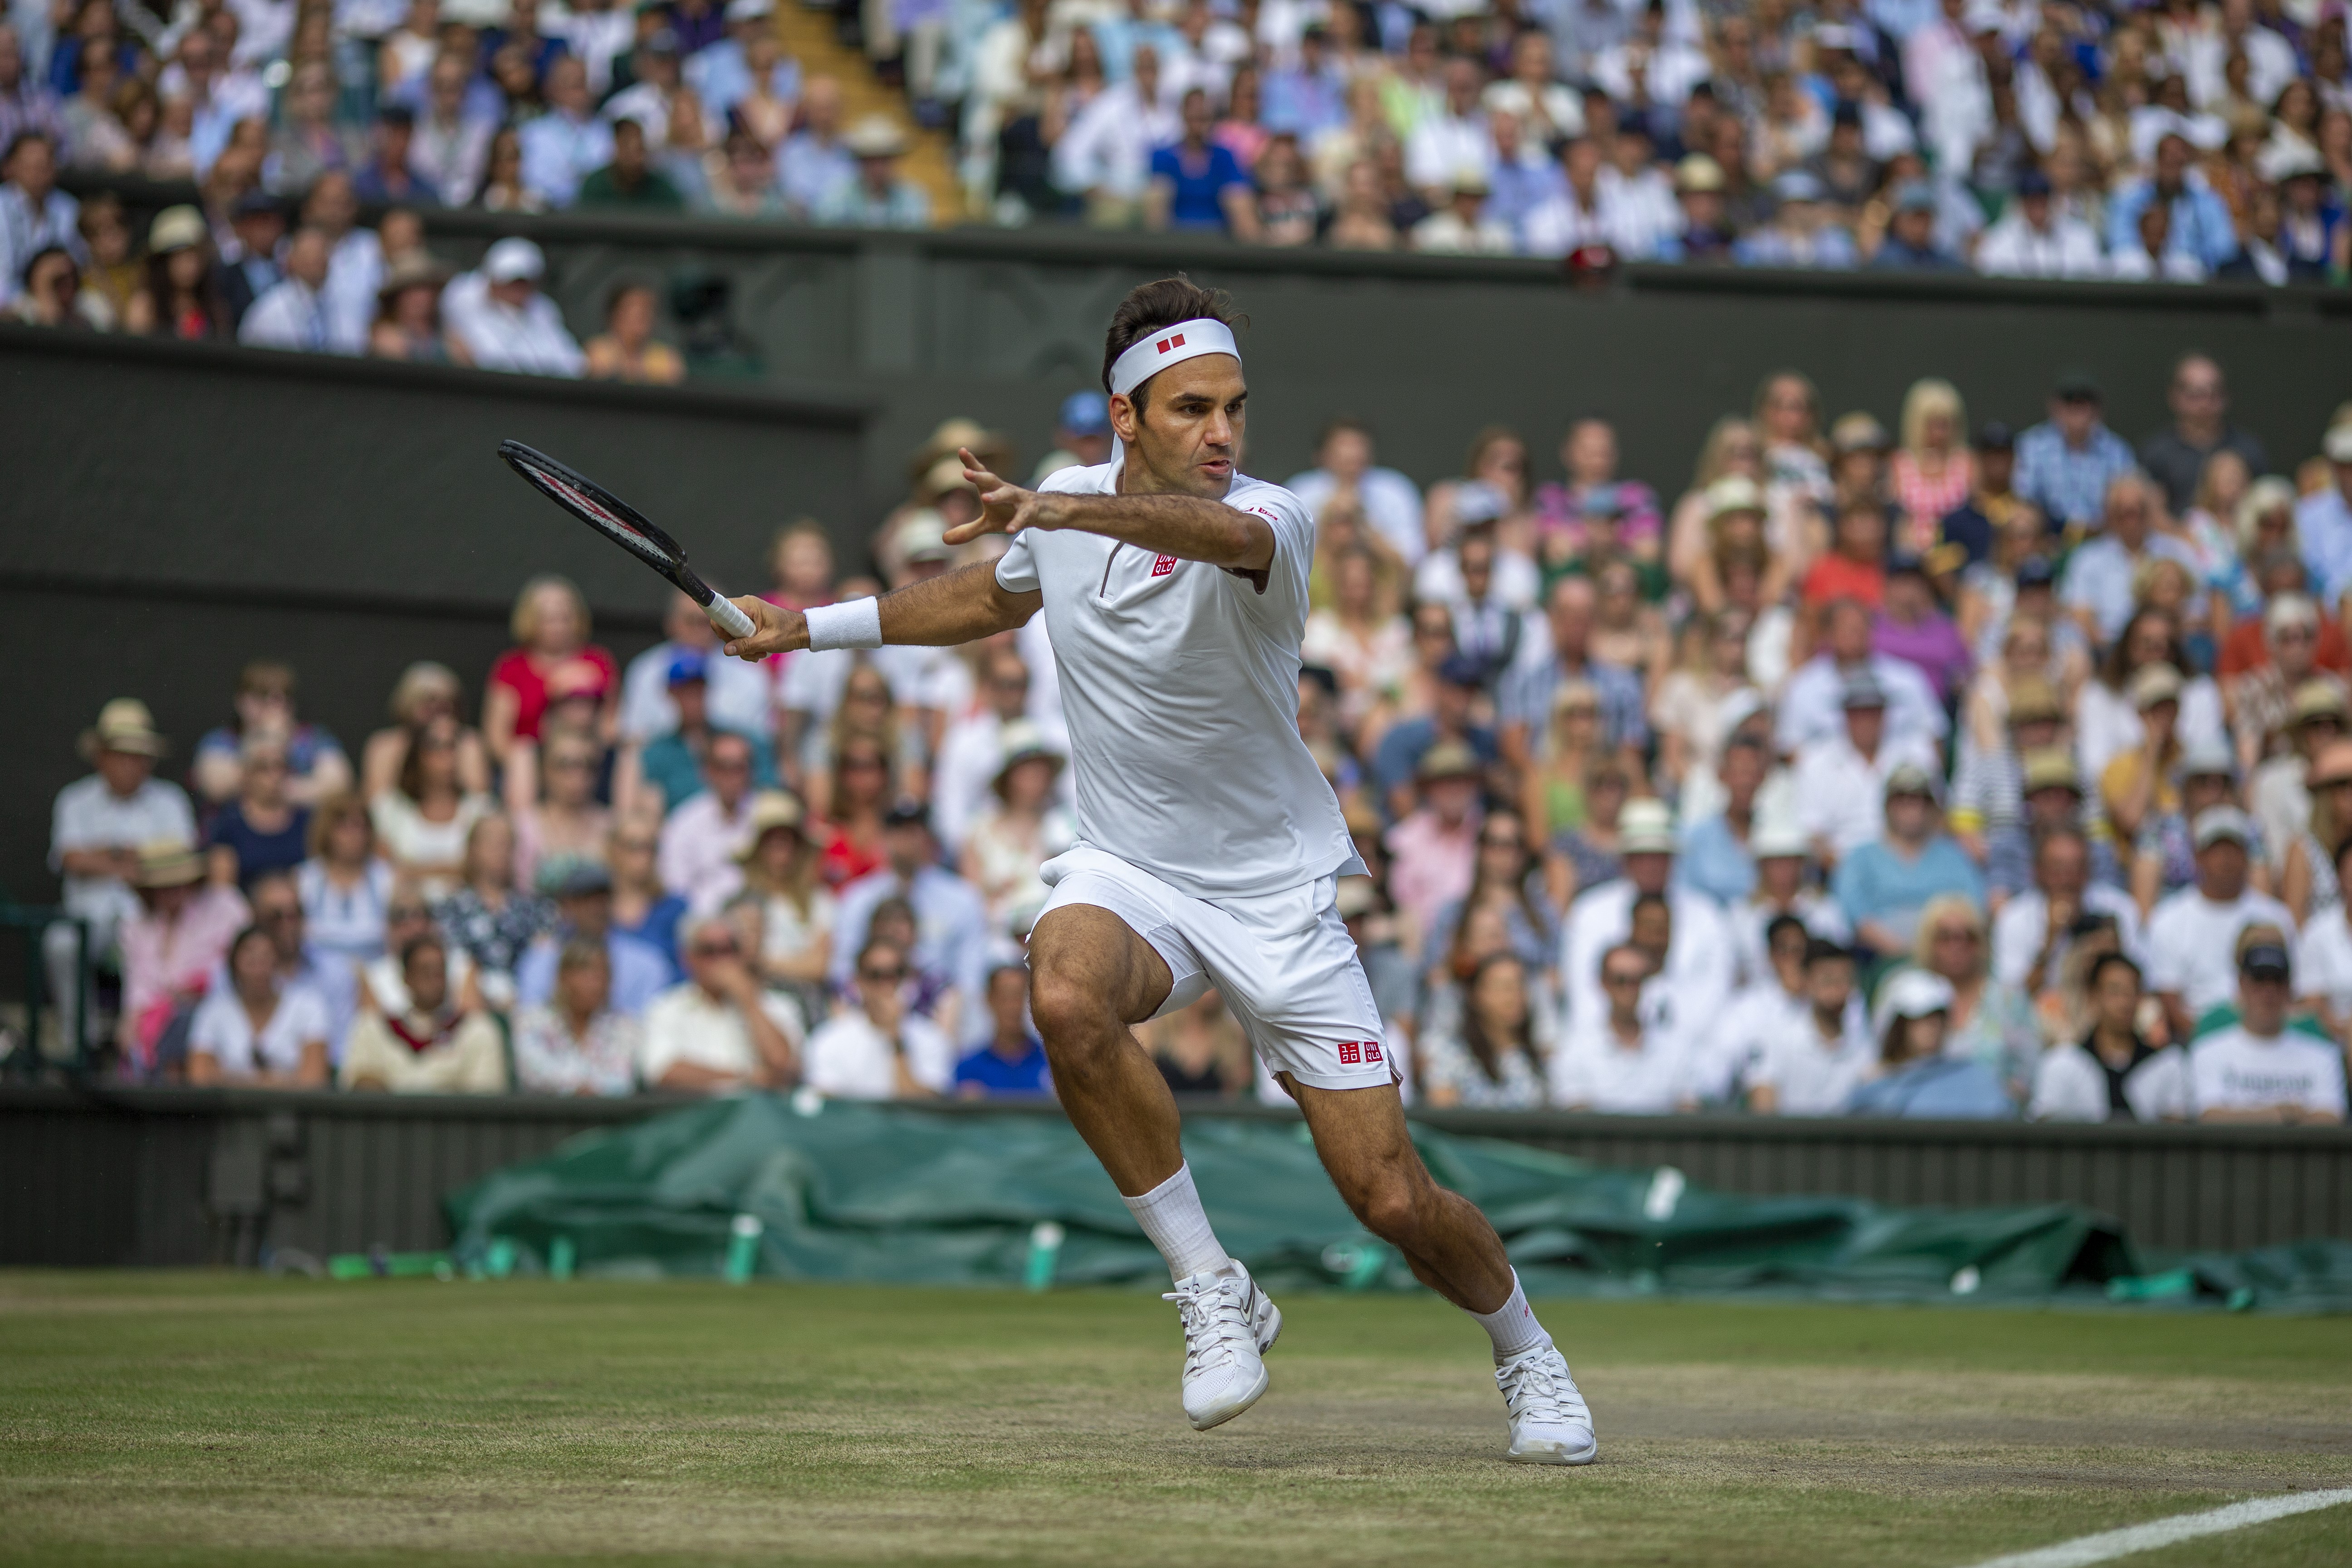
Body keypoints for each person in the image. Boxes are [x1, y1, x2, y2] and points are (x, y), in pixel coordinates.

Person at [710, 276, 1597, 1461]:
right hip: (1136, 871)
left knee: (1390, 1199)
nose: (1221, 432)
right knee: (1065, 990)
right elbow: (986, 596)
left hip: (1278, 899)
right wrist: (804, 626)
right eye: (1189, 410)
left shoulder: (1269, 521)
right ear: (1125, 418)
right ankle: (1211, 1285)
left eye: (1233, 406)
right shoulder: (1066, 511)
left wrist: (1066, 517)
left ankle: (1528, 1353)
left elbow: (1210, 534)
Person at [2145, 806, 2297, 1041]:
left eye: (2233, 849)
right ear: (2198, 857)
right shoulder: (2168, 919)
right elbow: (2170, 1003)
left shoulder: (2277, 918)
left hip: (2268, 1035)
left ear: (2247, 856)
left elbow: (2290, 993)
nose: (2225, 859)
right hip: (2197, 1038)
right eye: (2216, 850)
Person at [116, 840, 248, 1080]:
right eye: (163, 886)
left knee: (187, 1019)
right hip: (155, 1024)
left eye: (179, 883)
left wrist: (195, 990)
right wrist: (130, 1022)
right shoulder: (136, 926)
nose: (173, 891)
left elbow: (245, 962)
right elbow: (137, 989)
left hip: (218, 1011)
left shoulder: (225, 908)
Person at [637, 912, 803, 1092]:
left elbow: (784, 1066)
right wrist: (745, 1079)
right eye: (709, 951)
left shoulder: (778, 1005)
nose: (722, 960)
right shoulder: (666, 1008)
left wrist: (749, 1001)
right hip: (696, 1115)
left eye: (729, 949)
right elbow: (662, 1071)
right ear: (688, 958)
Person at [1832, 766, 1986, 960]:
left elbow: (1974, 910)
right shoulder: (1860, 858)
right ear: (1888, 807)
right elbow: (1857, 916)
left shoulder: (1954, 856)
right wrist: (1903, 952)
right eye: (1902, 801)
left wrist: (1938, 953)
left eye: (1918, 801)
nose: (1911, 809)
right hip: (1881, 960)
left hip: (1947, 959)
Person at [2190, 935, 2345, 1123]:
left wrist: (2243, 1116)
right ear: (2241, 984)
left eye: (2277, 981)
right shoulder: (2207, 1052)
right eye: (2259, 979)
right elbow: (2210, 1118)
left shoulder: (2323, 1056)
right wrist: (2283, 1115)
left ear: (2290, 988)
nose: (2268, 991)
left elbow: (2331, 1120)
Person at [1792, 675, 1942, 863]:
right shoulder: (1816, 763)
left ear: (1885, 714)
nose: (1866, 721)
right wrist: (1852, 873)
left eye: (1873, 712)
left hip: (1911, 862)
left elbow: (1936, 817)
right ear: (1845, 716)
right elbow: (1812, 833)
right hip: (1841, 867)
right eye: (1858, 713)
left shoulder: (1916, 756)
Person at [2028, 953, 2191, 1122]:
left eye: (2132, 992)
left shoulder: (2167, 1064)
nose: (2125, 1002)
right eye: (2115, 992)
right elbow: (2044, 1132)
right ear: (2093, 996)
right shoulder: (2062, 1064)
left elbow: (2176, 1133)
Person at [339, 930, 509, 1091]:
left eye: (439, 971)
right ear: (406, 977)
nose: (434, 980)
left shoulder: (476, 1031)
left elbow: (484, 1100)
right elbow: (356, 1086)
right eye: (425, 971)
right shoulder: (373, 1030)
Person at [484, 575, 617, 769]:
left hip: (588, 765)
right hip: (526, 767)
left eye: (564, 617)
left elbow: (610, 726)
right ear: (530, 621)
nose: (557, 626)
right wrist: (528, 770)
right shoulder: (511, 667)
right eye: (548, 618)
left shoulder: (598, 661)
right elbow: (496, 737)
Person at [513, 857, 671, 1019]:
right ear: (567, 905)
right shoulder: (541, 961)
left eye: (603, 899)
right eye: (585, 900)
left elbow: (651, 1024)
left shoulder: (648, 963)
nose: (595, 908)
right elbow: (531, 1018)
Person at [1846, 968, 2015, 1117]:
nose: (1932, 1027)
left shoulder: (1974, 1076)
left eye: (1938, 1018)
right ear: (1898, 1026)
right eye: (1920, 1018)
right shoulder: (1873, 1083)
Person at [804, 935, 956, 1099]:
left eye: (896, 974)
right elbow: (830, 1109)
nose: (886, 985)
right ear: (859, 981)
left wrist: (897, 1040)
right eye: (875, 975)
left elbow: (925, 1111)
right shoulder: (828, 1039)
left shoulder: (931, 1039)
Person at [961, 721, 1075, 940]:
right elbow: (972, 898)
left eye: (1041, 769)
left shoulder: (1066, 824)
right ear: (1009, 778)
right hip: (996, 939)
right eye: (1028, 769)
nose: (1037, 777)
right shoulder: (978, 831)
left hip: (1057, 933)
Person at [1548, 943, 1690, 1113]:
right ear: (1604, 983)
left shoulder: (1675, 1048)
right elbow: (1578, 1120)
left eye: (1636, 981)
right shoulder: (1576, 1048)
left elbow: (1688, 1112)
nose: (1629, 989)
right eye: (1621, 980)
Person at [186, 925, 332, 1088]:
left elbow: (314, 1080)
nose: (258, 970)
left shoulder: (308, 1005)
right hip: (229, 1113)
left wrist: (227, 1078)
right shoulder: (213, 1011)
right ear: (234, 964)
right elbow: (199, 1077)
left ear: (277, 962)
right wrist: (281, 1080)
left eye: (265, 959)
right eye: (251, 961)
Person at [1748, 938, 1872, 1116]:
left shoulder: (1865, 1044)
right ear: (1807, 981)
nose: (1838, 990)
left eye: (1846, 980)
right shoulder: (1775, 1037)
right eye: (1828, 981)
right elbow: (1763, 1110)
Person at [1416, 951, 1549, 1110]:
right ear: (1478, 995)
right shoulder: (1453, 1055)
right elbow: (1442, 1111)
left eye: (1520, 986)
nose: (1514, 996)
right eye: (1504, 988)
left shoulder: (1536, 1055)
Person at [2139, 354, 2268, 518]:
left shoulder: (2249, 450)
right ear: (2175, 396)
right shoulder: (2155, 453)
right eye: (2196, 394)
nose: (2205, 403)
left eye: (2214, 393)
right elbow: (2148, 514)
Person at [510, 937, 642, 1095]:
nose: (595, 983)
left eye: (602, 974)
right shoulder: (532, 1020)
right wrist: (578, 1089)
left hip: (607, 1116)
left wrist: (587, 1090)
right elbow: (533, 1074)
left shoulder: (623, 1025)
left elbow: (622, 1080)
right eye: (585, 973)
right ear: (563, 977)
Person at [2013, 373, 2136, 538]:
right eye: (2070, 403)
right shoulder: (2033, 446)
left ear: (2097, 410)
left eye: (2084, 404)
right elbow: (2023, 498)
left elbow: (2128, 502)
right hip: (2049, 539)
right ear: (2055, 407)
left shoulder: (2117, 451)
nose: (2077, 412)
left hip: (2103, 539)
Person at [441, 236, 584, 376]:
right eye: (511, 281)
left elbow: (572, 363)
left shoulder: (544, 309)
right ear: (492, 280)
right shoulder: (463, 299)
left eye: (524, 282)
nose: (518, 288)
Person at [204, 735, 312, 892]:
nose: (275, 777)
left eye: (280, 767)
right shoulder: (229, 825)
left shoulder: (307, 821)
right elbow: (222, 893)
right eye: (264, 769)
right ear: (246, 775)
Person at [955, 963, 1053, 1098]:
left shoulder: (1052, 1063)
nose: (1012, 1007)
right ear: (990, 1000)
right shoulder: (969, 1069)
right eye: (1004, 997)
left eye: (1019, 996)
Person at [583, 279, 684, 383]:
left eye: (646, 310)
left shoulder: (667, 356)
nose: (640, 316)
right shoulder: (596, 350)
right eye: (632, 309)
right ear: (614, 314)